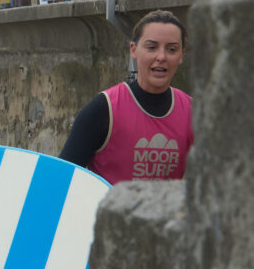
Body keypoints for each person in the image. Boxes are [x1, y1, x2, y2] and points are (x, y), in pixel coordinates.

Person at [60, 10, 193, 184]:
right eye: (151, 47)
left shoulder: (194, 113)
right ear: (134, 50)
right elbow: (59, 182)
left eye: (172, 49)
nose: (161, 57)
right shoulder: (103, 110)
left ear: (182, 55)